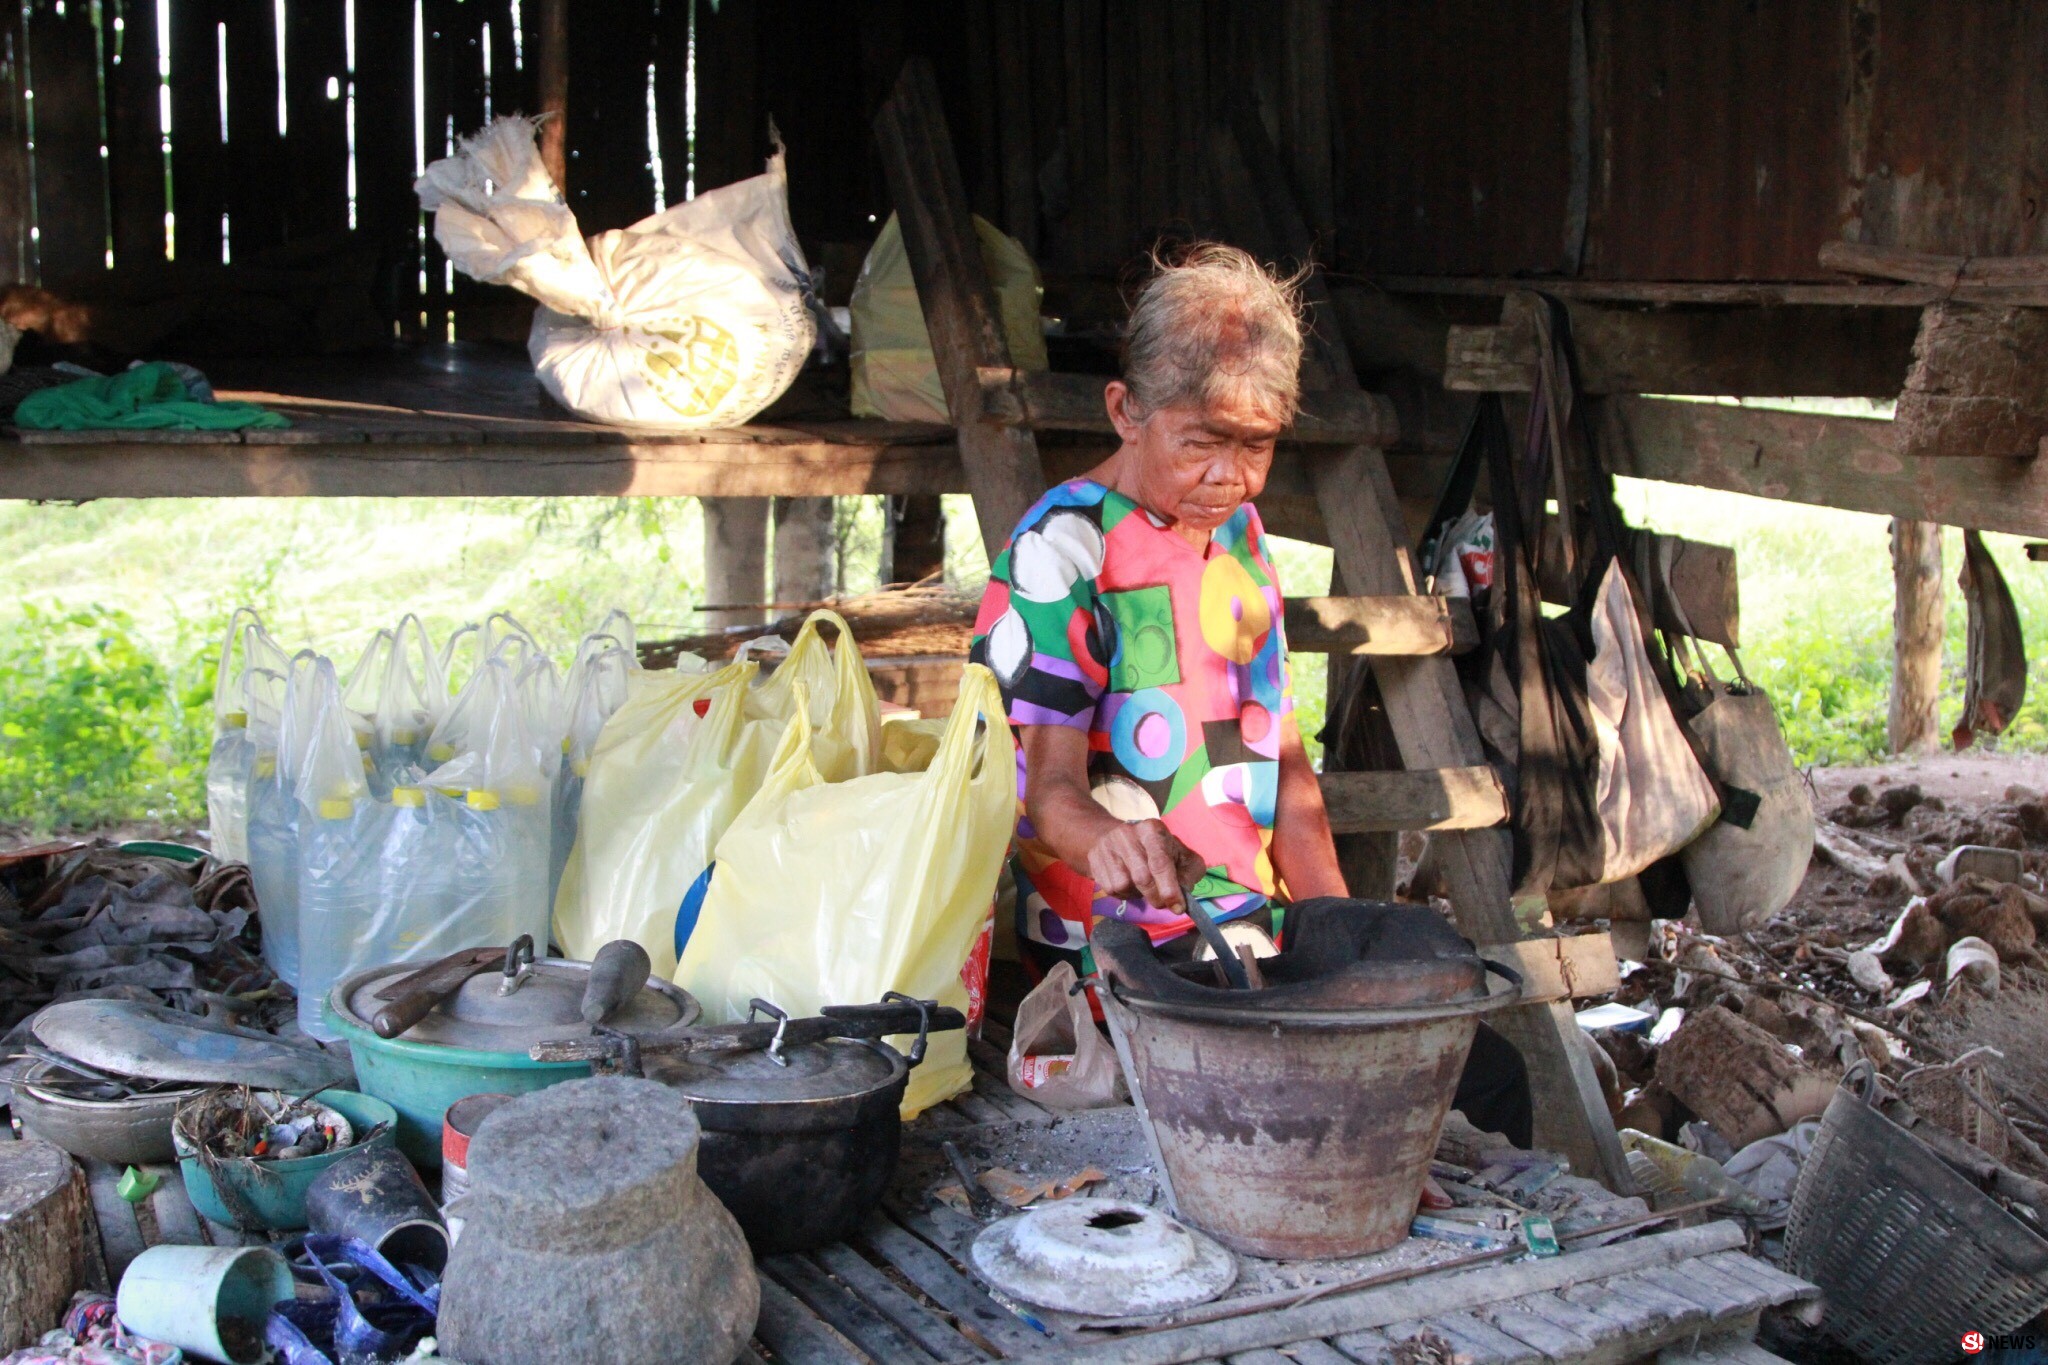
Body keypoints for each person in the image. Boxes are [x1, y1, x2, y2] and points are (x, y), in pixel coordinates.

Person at [970, 243, 1531, 1145]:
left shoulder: (1238, 535)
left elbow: (1285, 762)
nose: (1230, 476)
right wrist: (1115, 843)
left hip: (1246, 932)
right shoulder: (1060, 554)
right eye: (1202, 443)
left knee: (1479, 1075)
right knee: (1378, 1104)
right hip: (1126, 956)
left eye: (1257, 446)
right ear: (1127, 412)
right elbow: (1049, 796)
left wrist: (1337, 941)